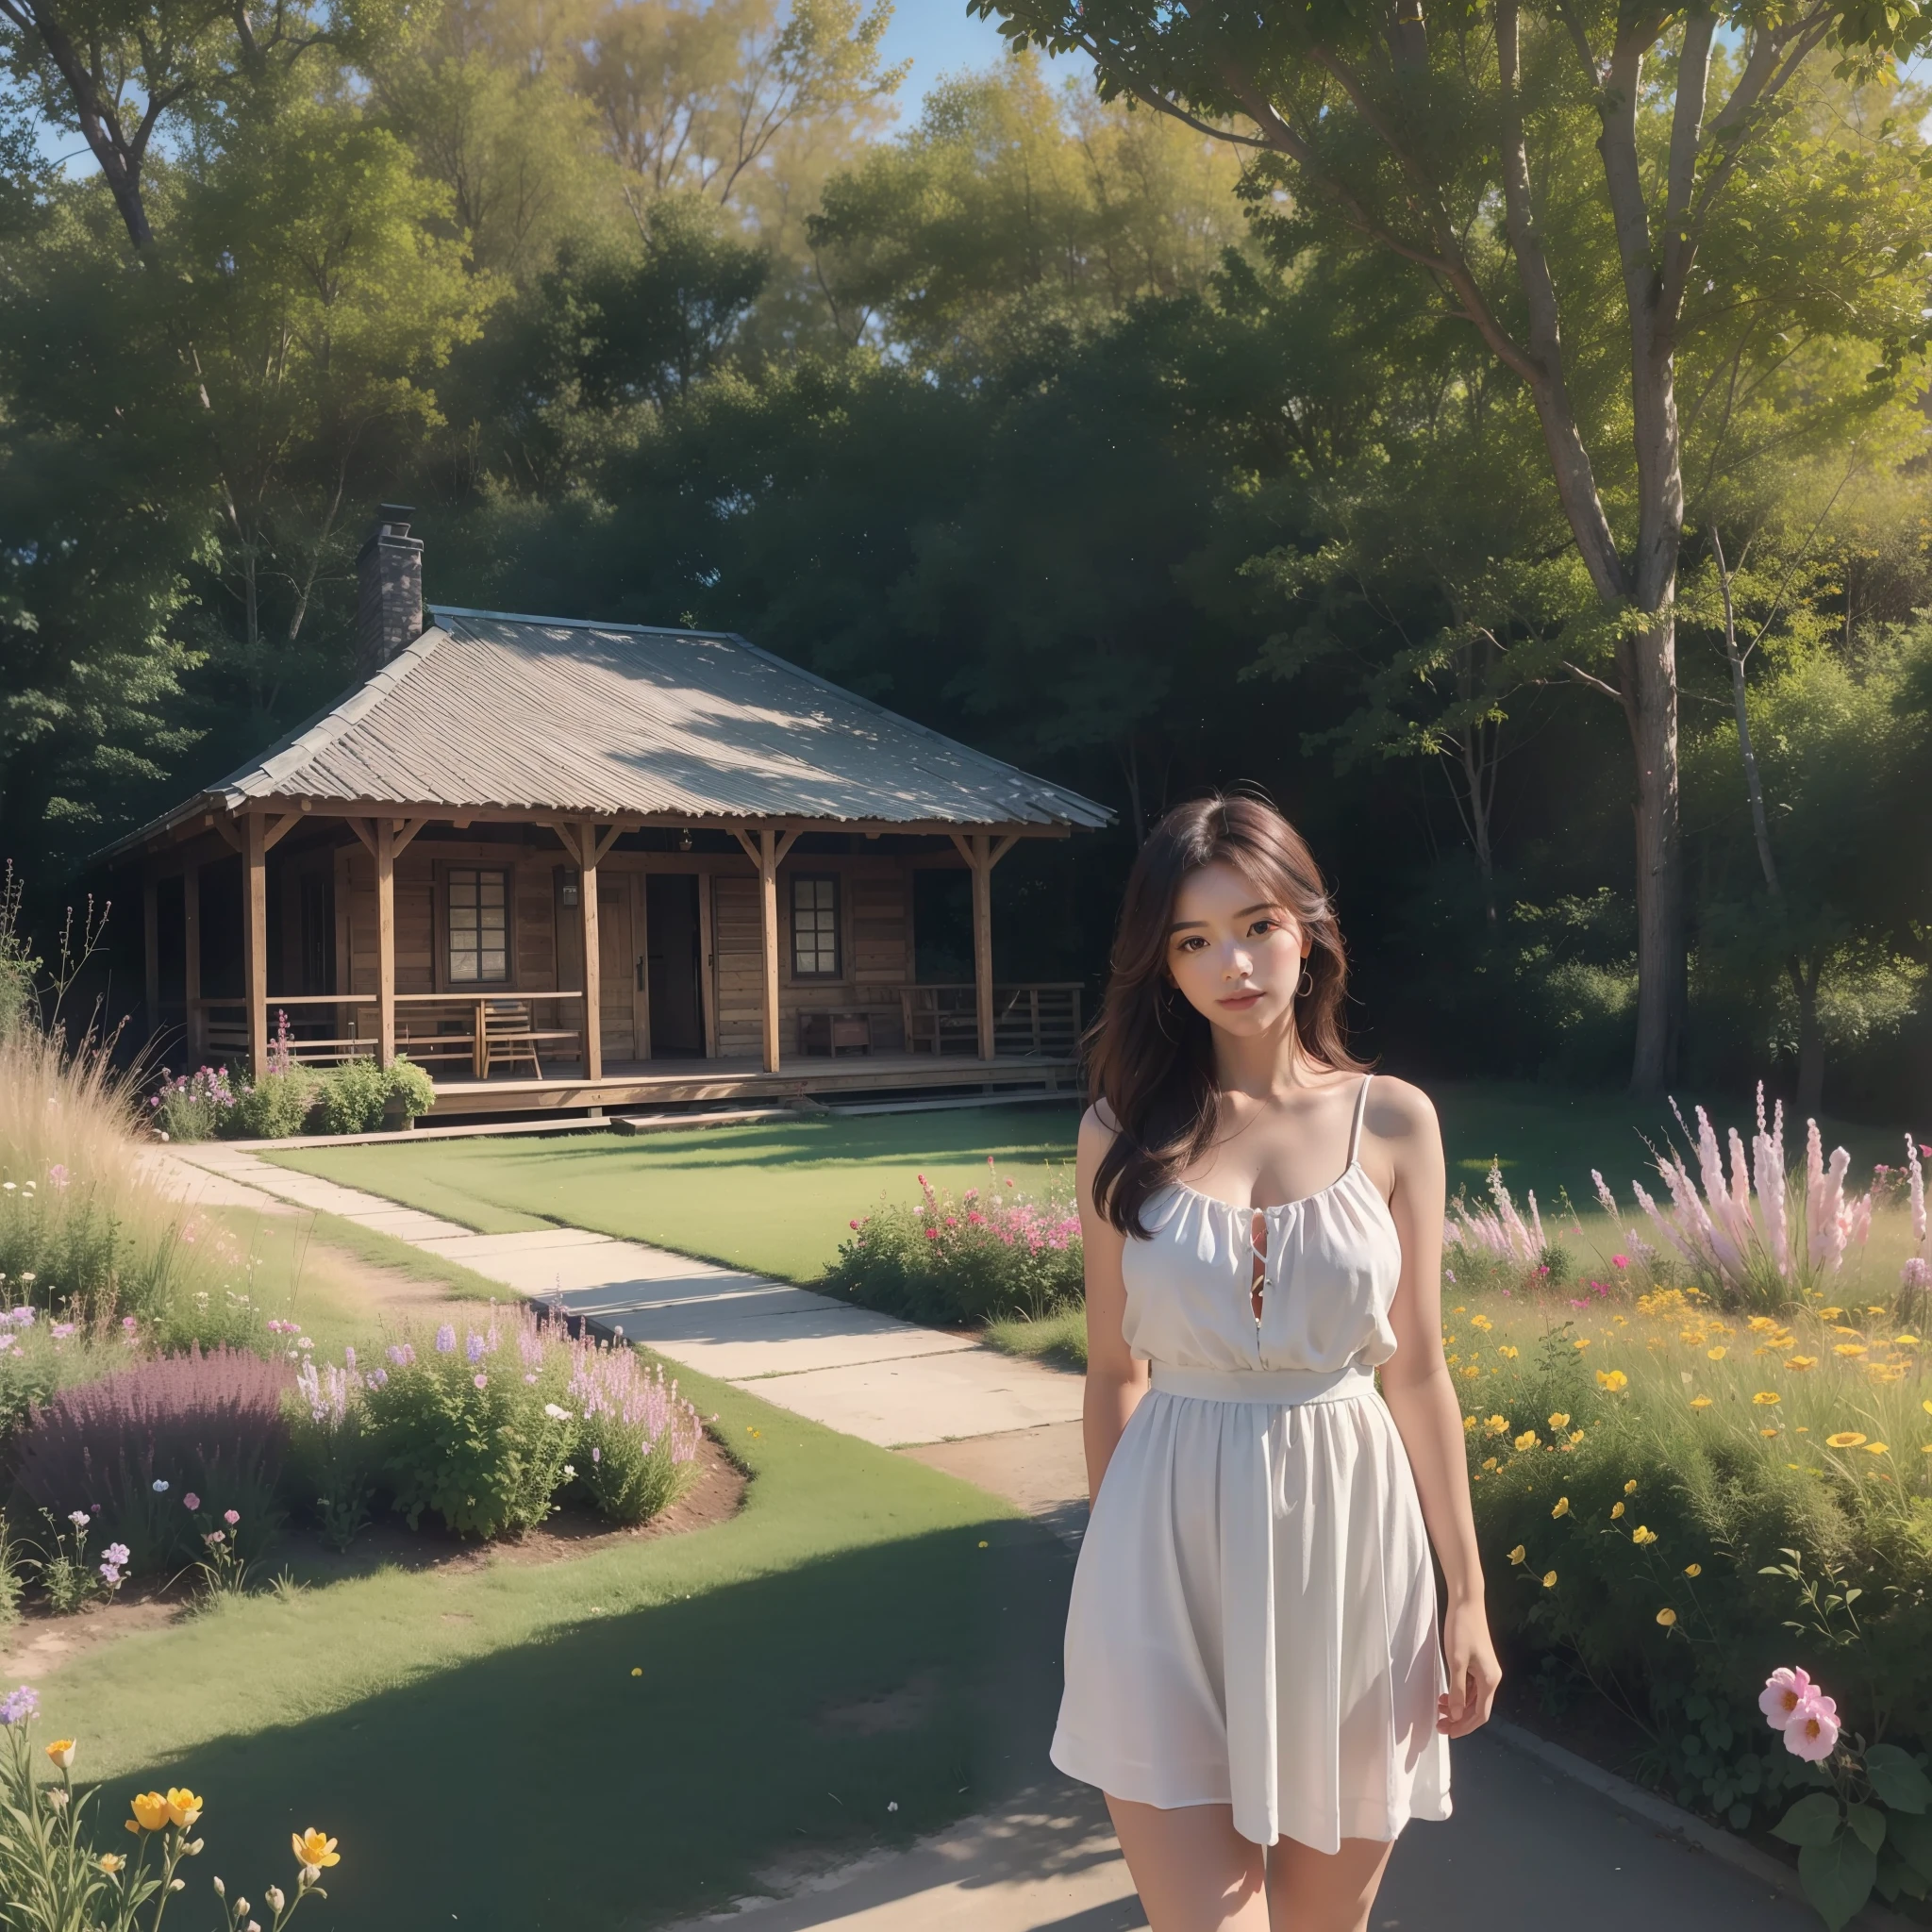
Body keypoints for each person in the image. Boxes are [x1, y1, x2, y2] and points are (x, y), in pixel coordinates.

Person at [1052, 792, 1500, 1932]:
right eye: (1192, 940)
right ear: (1162, 965)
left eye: (1254, 924)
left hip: (1351, 1551)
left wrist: (1466, 1593)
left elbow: (1418, 1371)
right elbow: (1113, 1372)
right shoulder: (1119, 1132)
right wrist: (1113, 1560)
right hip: (1159, 1550)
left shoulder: (1393, 1122)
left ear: (1309, 929)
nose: (1230, 962)